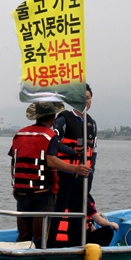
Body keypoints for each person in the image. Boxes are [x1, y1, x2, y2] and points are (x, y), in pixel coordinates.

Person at [9, 102, 91, 248]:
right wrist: (76, 169)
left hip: (22, 191)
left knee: (23, 234)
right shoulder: (49, 136)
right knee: (40, 236)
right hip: (42, 193)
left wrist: (15, 185)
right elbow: (51, 160)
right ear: (53, 119)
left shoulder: (20, 134)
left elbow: (14, 161)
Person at [48, 84, 97, 247]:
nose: (85, 101)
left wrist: (90, 176)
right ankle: (51, 246)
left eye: (88, 98)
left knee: (78, 214)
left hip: (82, 179)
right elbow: (53, 144)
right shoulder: (64, 119)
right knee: (59, 212)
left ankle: (76, 245)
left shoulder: (92, 124)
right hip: (64, 176)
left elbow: (94, 153)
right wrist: (72, 151)